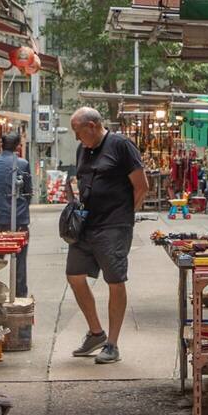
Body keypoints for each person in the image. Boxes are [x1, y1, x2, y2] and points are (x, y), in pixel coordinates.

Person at [65, 106, 149, 364]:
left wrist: (123, 216)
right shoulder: (83, 149)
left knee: (115, 280)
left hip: (113, 226)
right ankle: (96, 332)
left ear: (92, 126)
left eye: (78, 132)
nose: (77, 138)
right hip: (86, 226)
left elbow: (142, 187)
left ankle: (112, 343)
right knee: (74, 276)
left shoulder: (121, 145)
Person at [0, 133, 32, 296]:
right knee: (19, 259)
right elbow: (28, 193)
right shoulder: (22, 164)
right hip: (18, 217)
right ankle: (20, 295)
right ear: (18, 146)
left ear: (0, 144)